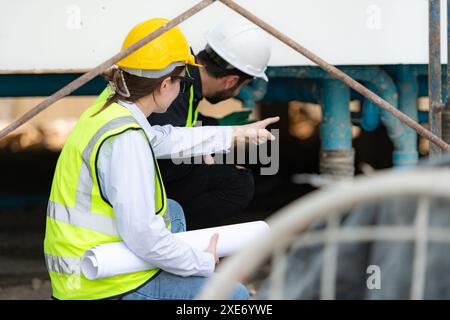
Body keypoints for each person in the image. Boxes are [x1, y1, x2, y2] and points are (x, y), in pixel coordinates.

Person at [43, 18, 278, 300]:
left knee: (173, 212)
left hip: (84, 265)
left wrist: (235, 134)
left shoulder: (110, 110)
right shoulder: (125, 141)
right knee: (234, 295)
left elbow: (163, 138)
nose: (184, 86)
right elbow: (144, 236)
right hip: (102, 286)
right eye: (181, 80)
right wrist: (201, 261)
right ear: (165, 84)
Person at [147, 17, 272, 230]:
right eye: (241, 86)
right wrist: (209, 155)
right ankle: (171, 234)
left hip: (140, 176)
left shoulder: (184, 76)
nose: (237, 93)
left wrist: (215, 125)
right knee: (237, 184)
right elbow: (163, 155)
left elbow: (175, 125)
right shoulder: (179, 90)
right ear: (231, 80)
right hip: (144, 186)